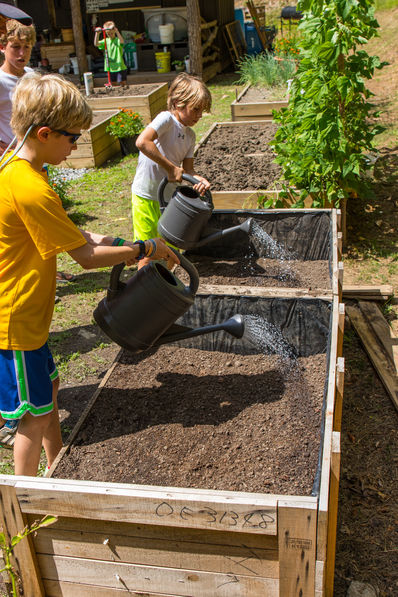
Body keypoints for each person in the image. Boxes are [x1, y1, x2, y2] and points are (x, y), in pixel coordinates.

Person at [0, 72, 179, 475]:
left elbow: (72, 231)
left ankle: (56, 466)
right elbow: (84, 256)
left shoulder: (22, 171)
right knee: (32, 417)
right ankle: (30, 500)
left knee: (51, 393)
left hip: (29, 319)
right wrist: (143, 249)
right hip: (15, 322)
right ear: (44, 133)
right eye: (73, 137)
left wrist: (123, 241)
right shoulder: (30, 187)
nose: (77, 144)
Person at [131, 73, 212, 269]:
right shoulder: (166, 119)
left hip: (167, 200)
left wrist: (198, 180)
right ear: (177, 102)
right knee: (147, 250)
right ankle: (143, 290)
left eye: (202, 111)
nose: (199, 115)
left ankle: (163, 287)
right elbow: (142, 142)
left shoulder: (190, 136)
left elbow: (189, 169)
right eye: (195, 109)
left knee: (168, 250)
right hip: (145, 194)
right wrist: (170, 167)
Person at [0, 17, 35, 155]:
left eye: (27, 46)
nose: (22, 53)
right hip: (11, 157)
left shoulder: (32, 75)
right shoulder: (1, 81)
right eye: (15, 47)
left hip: (36, 155)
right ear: (2, 47)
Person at [94, 21, 127, 86]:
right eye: (108, 34)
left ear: (114, 31)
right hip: (110, 67)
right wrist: (97, 34)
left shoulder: (117, 40)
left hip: (119, 66)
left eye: (112, 33)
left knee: (122, 83)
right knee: (113, 83)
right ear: (106, 33)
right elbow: (96, 44)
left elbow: (122, 41)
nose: (110, 35)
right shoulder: (106, 41)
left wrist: (117, 31)